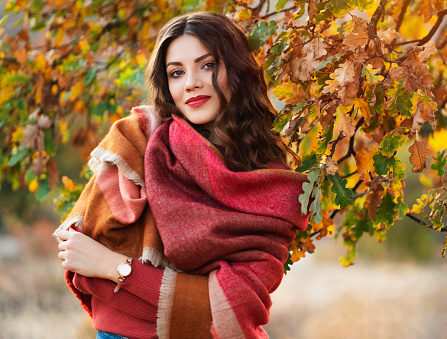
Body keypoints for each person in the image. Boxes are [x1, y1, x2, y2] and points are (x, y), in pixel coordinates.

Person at [55, 12, 309, 339]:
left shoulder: (271, 184)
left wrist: (115, 268)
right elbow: (80, 254)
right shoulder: (138, 142)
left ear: (237, 70)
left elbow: (234, 311)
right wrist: (196, 298)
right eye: (177, 72)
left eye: (207, 65)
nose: (191, 82)